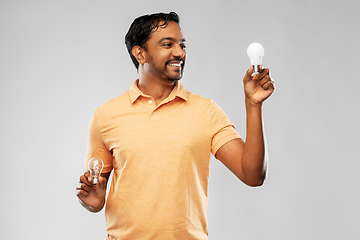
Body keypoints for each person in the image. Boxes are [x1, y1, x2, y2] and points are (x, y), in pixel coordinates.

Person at [75, 11, 274, 240]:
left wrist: (253, 104)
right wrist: (94, 202)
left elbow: (252, 174)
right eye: (167, 44)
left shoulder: (206, 111)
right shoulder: (105, 116)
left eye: (182, 45)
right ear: (140, 53)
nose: (180, 53)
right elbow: (96, 196)